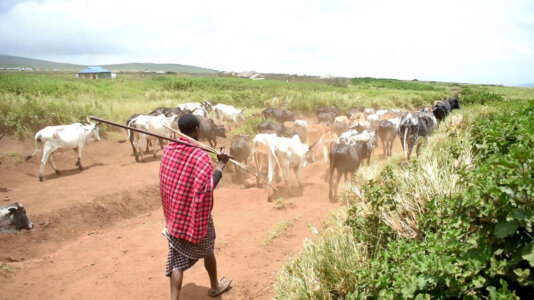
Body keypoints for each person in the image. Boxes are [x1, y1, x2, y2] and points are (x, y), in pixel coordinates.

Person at [160, 114, 232, 299]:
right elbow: (206, 189)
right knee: (208, 250)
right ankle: (215, 286)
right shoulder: (199, 156)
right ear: (197, 130)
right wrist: (221, 165)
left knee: (176, 261)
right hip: (195, 218)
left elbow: (166, 181)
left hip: (175, 218)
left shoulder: (168, 149)